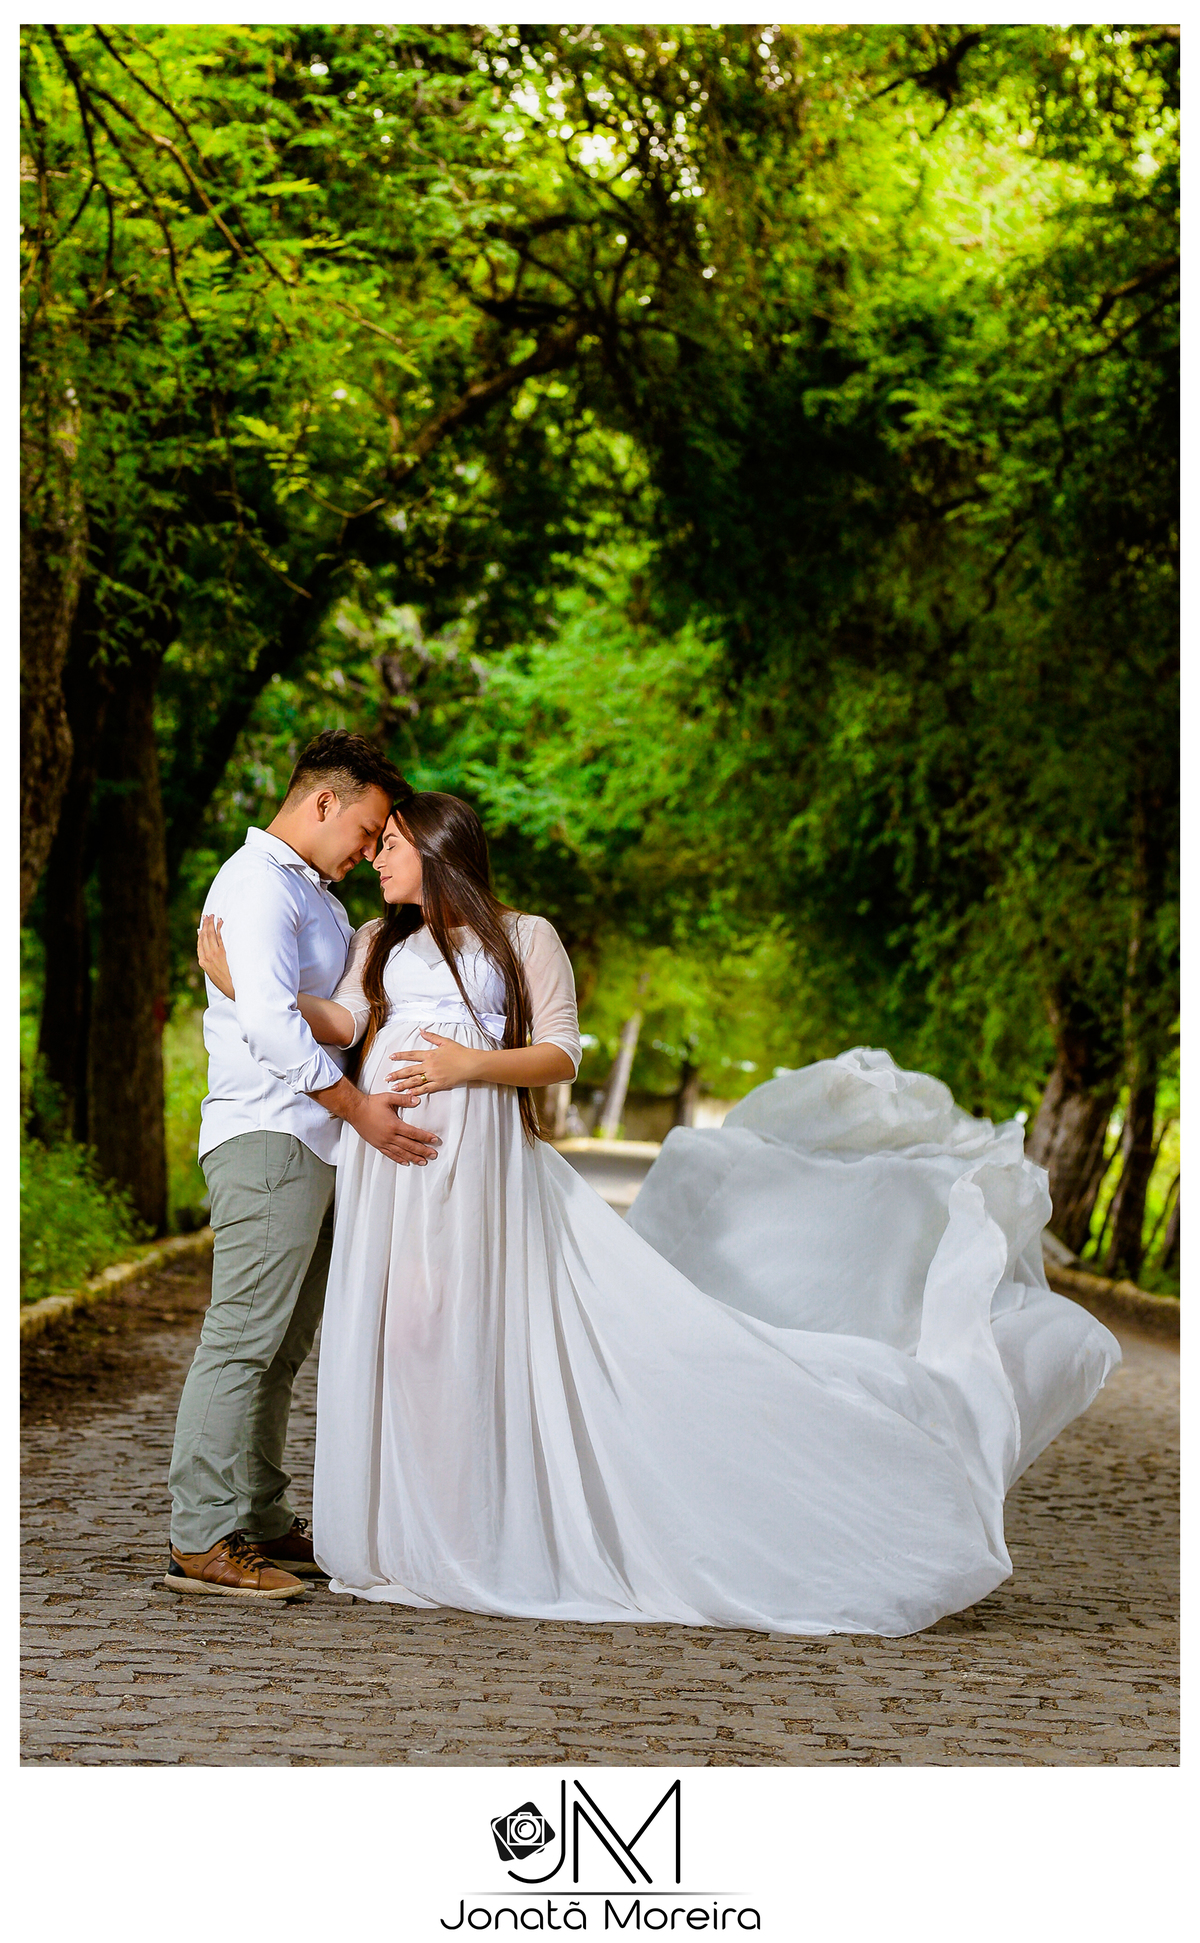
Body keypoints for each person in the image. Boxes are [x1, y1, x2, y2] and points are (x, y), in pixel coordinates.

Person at [198, 791, 1122, 1636]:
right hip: (390, 1172)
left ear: (441, 851)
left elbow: (561, 1053)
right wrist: (246, 985)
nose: (377, 857)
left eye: (393, 843)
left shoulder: (525, 936)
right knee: (402, 1335)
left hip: (480, 1172)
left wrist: (467, 1065)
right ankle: (408, 1528)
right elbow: (342, 1023)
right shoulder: (377, 940)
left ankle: (474, 1533)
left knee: (473, 1332)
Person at [165, 732, 438, 1601]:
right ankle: (200, 1534)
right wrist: (359, 1109)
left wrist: (276, 1003)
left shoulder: (312, 895)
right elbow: (272, 1029)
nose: (368, 851)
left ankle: (261, 1515)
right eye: (365, 829)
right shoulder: (256, 884)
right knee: (243, 1337)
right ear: (324, 801)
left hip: (312, 1142)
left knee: (281, 1348)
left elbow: (336, 1016)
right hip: (269, 1134)